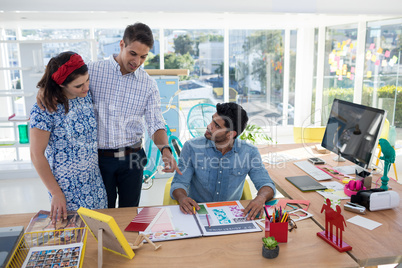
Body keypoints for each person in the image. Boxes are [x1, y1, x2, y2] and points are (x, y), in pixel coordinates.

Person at [38, 22, 181, 208]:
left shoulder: (148, 85)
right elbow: (64, 76)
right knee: (104, 213)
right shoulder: (93, 71)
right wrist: (44, 89)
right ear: (122, 44)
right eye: (133, 53)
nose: (137, 62)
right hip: (100, 159)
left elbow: (156, 123)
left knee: (129, 212)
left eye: (143, 57)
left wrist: (165, 150)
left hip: (133, 159)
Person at [30, 52, 107, 224]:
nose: (86, 87)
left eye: (87, 80)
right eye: (78, 85)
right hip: (67, 190)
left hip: (95, 184)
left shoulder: (85, 96)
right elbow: (36, 155)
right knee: (74, 237)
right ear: (61, 85)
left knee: (99, 235)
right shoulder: (44, 108)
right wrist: (56, 192)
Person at [170, 102, 276, 220]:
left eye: (217, 126)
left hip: (231, 215)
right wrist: (182, 198)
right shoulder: (192, 147)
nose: (209, 126)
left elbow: (267, 184)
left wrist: (260, 198)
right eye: (212, 121)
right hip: (198, 212)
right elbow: (179, 183)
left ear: (230, 134)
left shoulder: (249, 152)